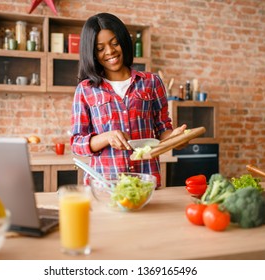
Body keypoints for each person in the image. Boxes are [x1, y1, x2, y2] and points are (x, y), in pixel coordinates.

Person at [70, 12, 186, 187]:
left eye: (115, 43)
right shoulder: (86, 89)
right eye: (100, 48)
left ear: (123, 41)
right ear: (92, 53)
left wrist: (177, 139)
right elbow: (77, 143)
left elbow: (163, 130)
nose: (110, 52)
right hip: (105, 186)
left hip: (145, 182)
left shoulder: (151, 82)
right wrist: (107, 137)